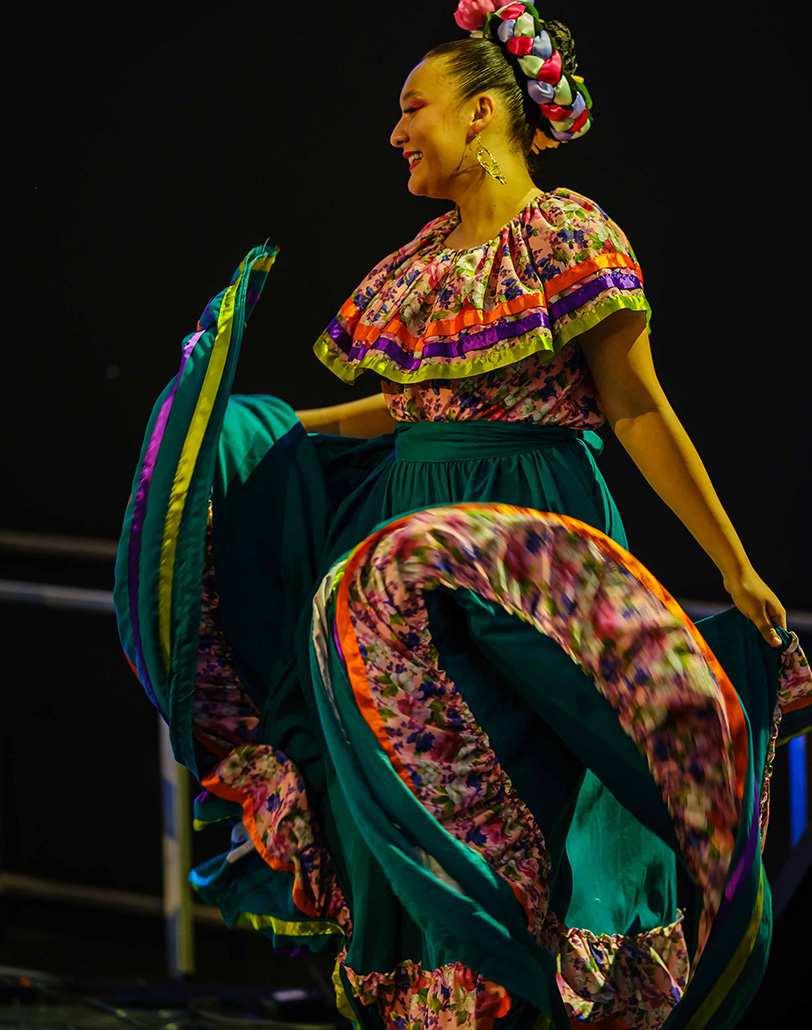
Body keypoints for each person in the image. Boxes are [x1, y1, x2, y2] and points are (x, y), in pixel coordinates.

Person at [113, 4, 811, 1030]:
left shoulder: (568, 239)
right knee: (413, 787)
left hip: (526, 546)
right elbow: (402, 404)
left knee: (527, 787)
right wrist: (251, 429)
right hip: (401, 553)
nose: (395, 130)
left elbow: (635, 409)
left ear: (482, 112)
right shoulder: (420, 264)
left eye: (412, 107)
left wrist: (735, 565)